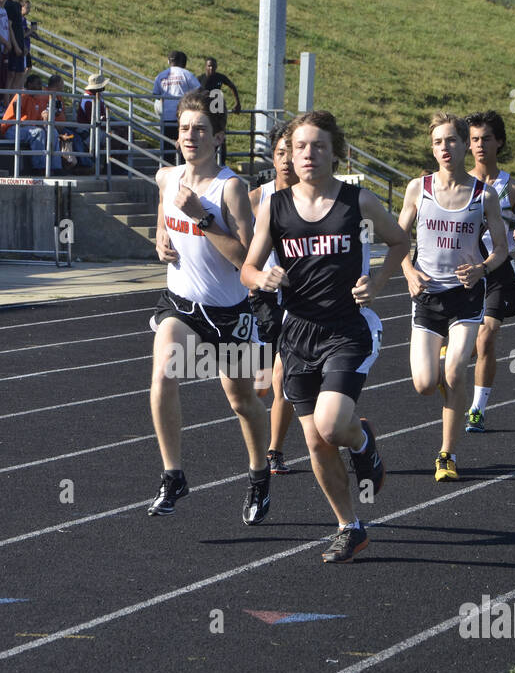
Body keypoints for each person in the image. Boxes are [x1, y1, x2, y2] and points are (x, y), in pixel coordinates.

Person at [241, 110, 410, 563]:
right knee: (315, 441)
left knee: (333, 425)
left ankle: (362, 442)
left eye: (318, 146)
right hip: (297, 333)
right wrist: (263, 277)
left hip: (346, 329)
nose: (308, 154)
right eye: (300, 147)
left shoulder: (358, 202)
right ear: (289, 155)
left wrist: (377, 282)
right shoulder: (273, 208)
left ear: (336, 152)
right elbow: (247, 269)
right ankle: (349, 526)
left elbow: (399, 240)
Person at [148, 89, 270, 524]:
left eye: (200, 129)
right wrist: (160, 233)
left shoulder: (231, 187)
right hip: (180, 304)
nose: (190, 136)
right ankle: (173, 473)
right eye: (184, 129)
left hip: (231, 314)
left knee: (241, 401)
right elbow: (164, 207)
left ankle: (259, 476)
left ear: (217, 137)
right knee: (164, 370)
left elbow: (245, 260)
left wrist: (201, 216)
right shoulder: (167, 177)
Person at [397, 113, 509, 482]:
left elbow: (502, 251)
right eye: (437, 142)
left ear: (464, 144)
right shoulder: (419, 188)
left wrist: (482, 269)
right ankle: (444, 363)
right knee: (424, 384)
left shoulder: (483, 195)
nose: (444, 148)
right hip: (428, 297)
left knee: (455, 371)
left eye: (451, 141)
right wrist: (410, 272)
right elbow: (398, 240)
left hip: (465, 296)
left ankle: (447, 454)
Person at [464, 110, 515, 434]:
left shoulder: (513, 188)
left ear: (499, 141)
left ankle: (477, 410)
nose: (480, 145)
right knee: (464, 348)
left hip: (499, 272)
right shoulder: (460, 186)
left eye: (486, 138)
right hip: (466, 273)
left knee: (486, 338)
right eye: (474, 139)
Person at [247, 122, 297, 475]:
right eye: (281, 154)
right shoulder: (257, 198)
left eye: (292, 154)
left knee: (283, 379)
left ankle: (274, 451)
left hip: (298, 299)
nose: (287, 161)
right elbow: (238, 245)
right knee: (260, 387)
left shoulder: (313, 198)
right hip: (262, 298)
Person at [152, 51, 200, 165]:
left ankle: (167, 171)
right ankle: (185, 172)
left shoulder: (160, 76)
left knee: (167, 148)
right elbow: (199, 90)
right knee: (185, 146)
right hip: (183, 117)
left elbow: (155, 94)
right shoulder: (186, 74)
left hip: (166, 117)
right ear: (183, 62)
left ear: (169, 61)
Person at [200, 56, 240, 163]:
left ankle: (222, 162)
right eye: (209, 66)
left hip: (218, 110)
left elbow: (232, 86)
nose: (211, 69)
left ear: (216, 67)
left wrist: (237, 103)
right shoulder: (200, 79)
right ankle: (206, 161)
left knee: (221, 135)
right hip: (206, 111)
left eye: (213, 66)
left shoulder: (220, 77)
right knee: (207, 135)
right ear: (205, 67)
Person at [2, 0, 27, 90]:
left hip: (20, 43)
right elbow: (9, 26)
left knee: (20, 74)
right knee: (11, 75)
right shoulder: (9, 4)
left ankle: (15, 103)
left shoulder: (17, 5)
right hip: (13, 44)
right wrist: (15, 45)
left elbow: (19, 27)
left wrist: (23, 45)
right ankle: (8, 104)